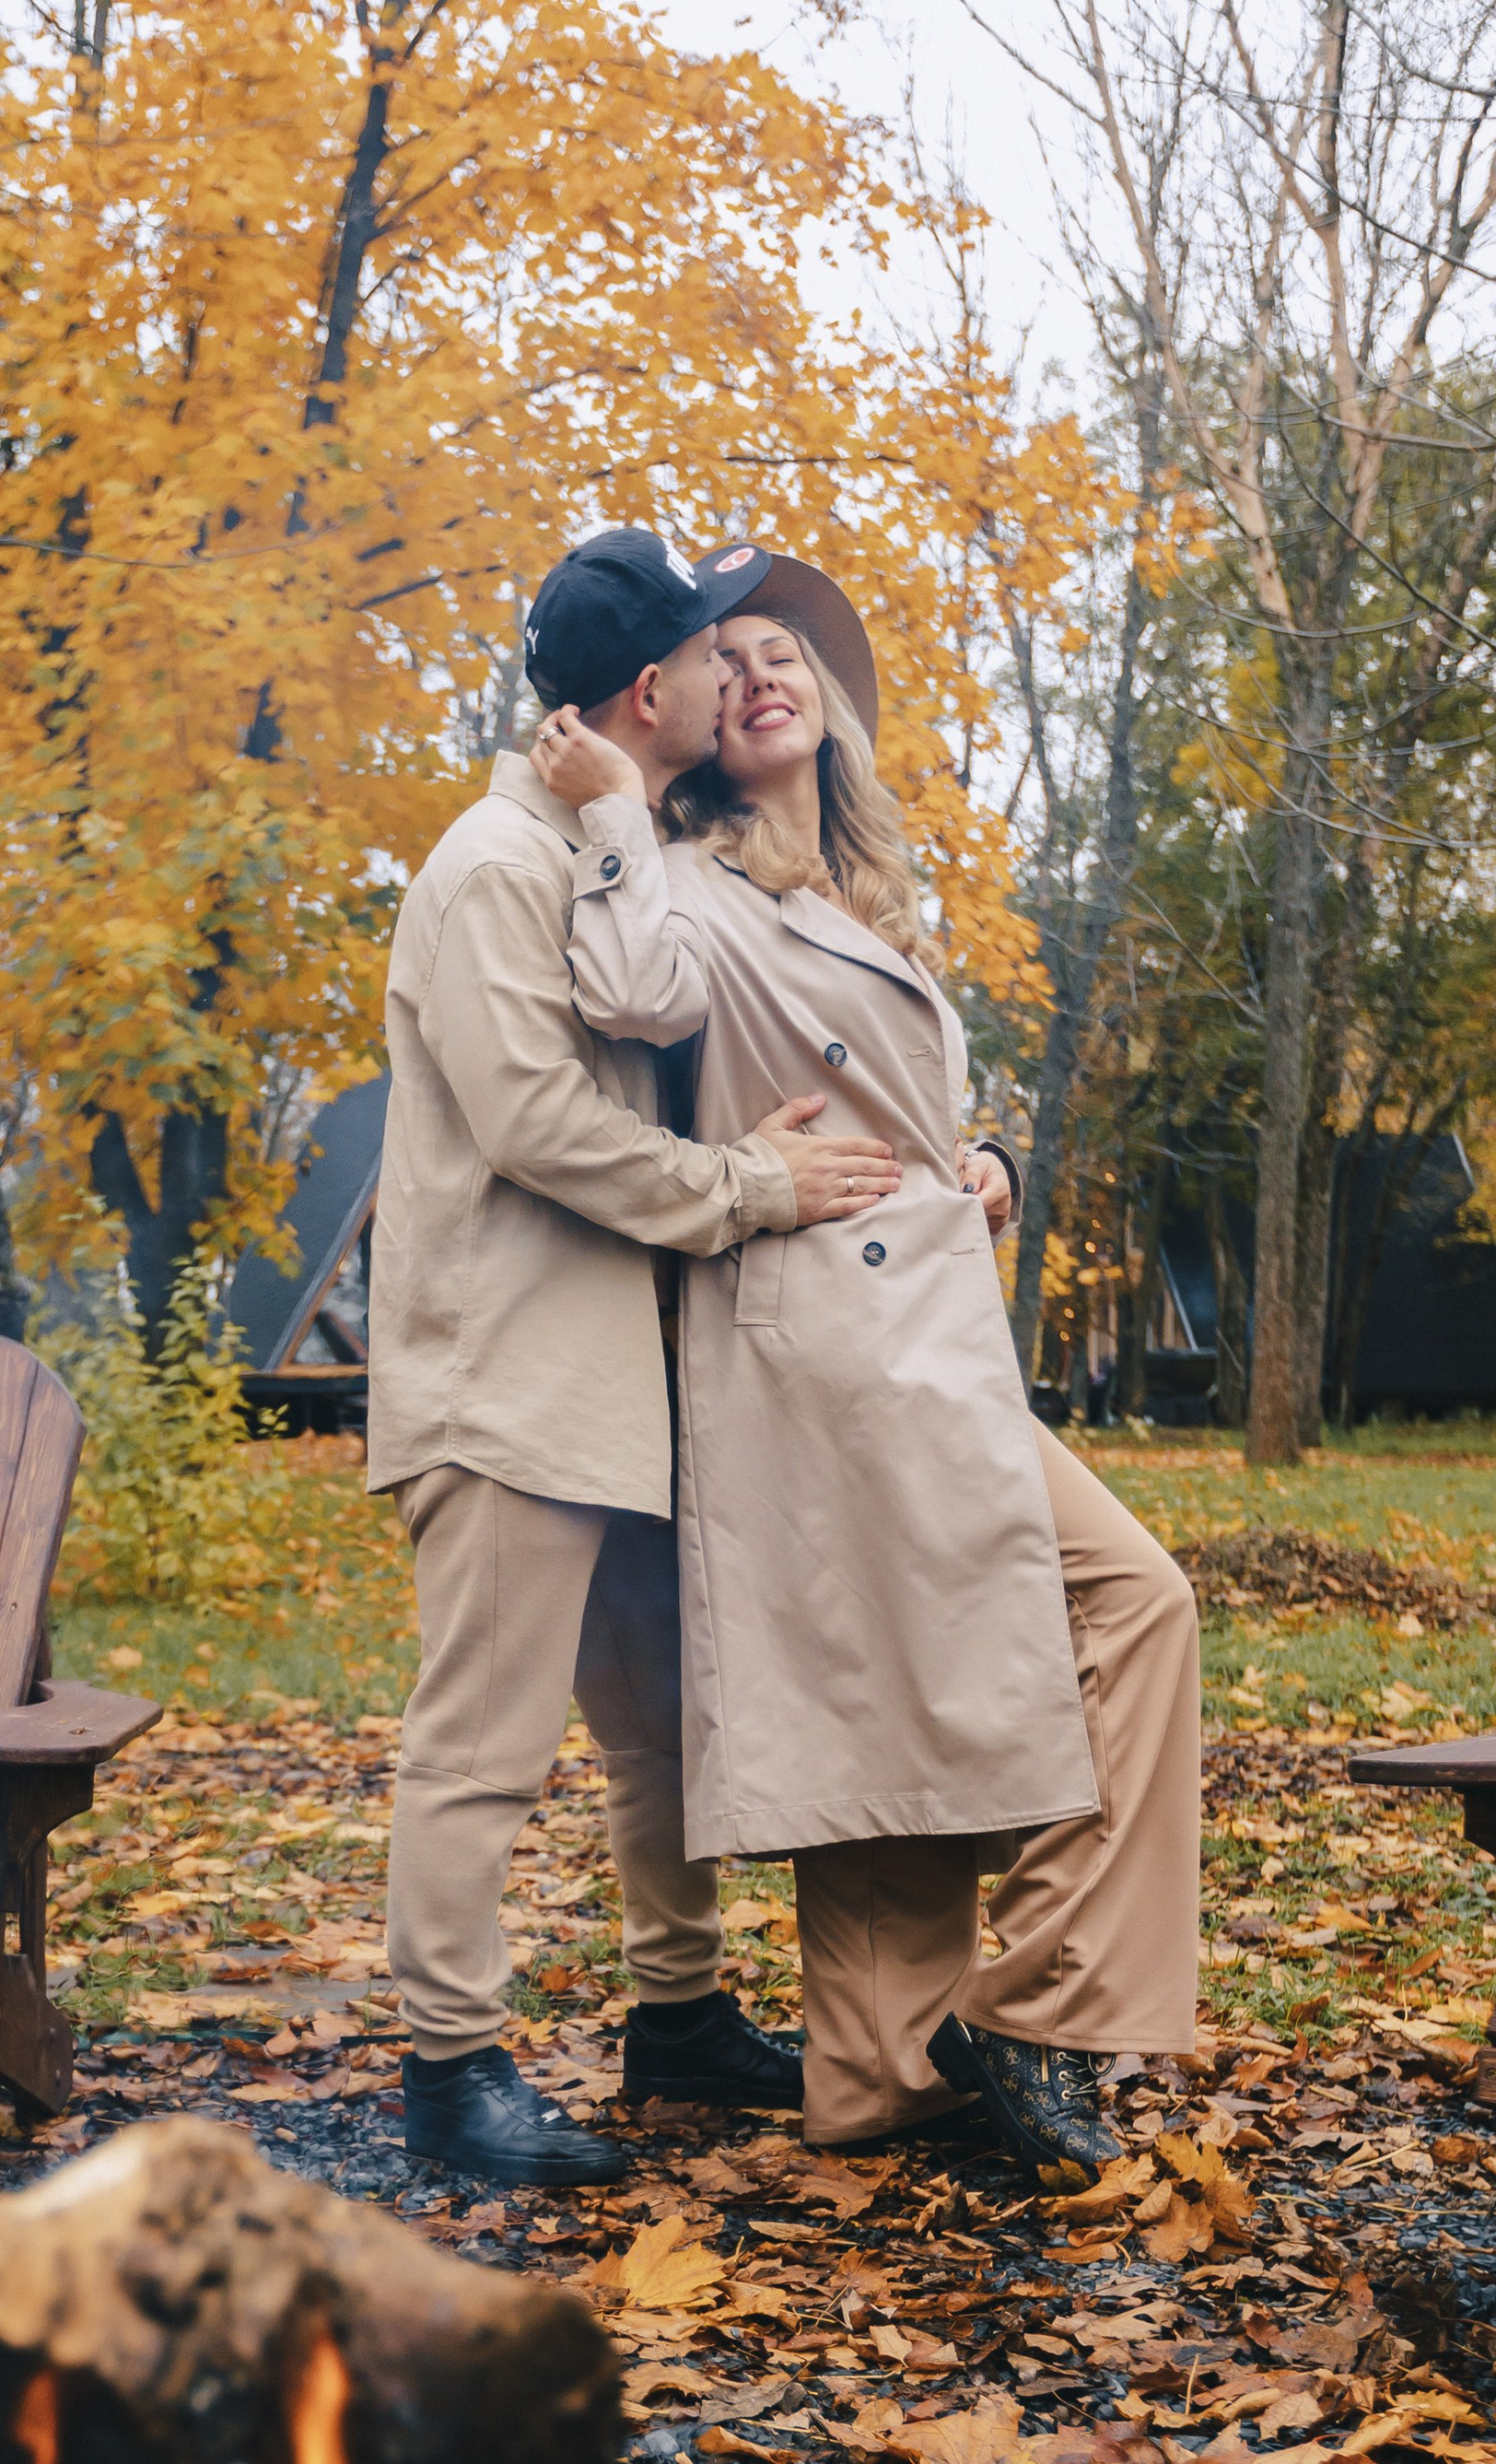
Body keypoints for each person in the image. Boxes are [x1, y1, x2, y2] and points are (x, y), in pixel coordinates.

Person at [536, 550, 1200, 2174]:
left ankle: (908, 2071)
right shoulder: (684, 876)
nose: (764, 673)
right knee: (984, 1661)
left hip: (908, 1331)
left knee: (935, 1690)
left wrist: (985, 1155)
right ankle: (990, 2031)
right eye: (733, 659)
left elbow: (907, 1094)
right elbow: (625, 989)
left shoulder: (869, 893)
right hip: (811, 1341)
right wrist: (621, 802)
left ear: (834, 706)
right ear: (694, 709)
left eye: (791, 657)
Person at [371, 528, 906, 2189]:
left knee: (658, 1729)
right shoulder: (487, 867)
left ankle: (673, 2020)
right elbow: (535, 1123)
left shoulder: (609, 850)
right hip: (504, 1379)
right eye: (699, 651)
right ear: (646, 688)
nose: (725, 668)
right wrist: (748, 1188)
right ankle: (451, 2078)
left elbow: (668, 1028)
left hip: (627, 1379)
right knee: (482, 1745)